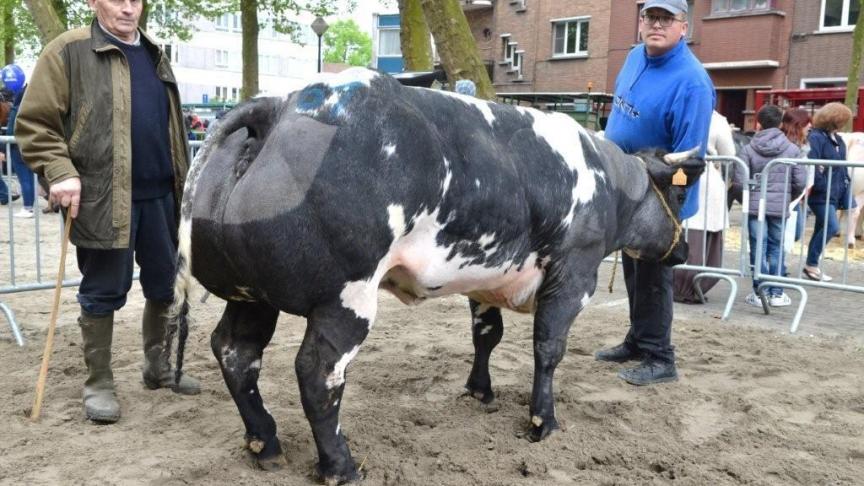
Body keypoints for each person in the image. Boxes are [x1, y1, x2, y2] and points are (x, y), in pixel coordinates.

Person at [16, 0, 199, 424]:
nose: (128, 8)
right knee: (102, 290)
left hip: (161, 197)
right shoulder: (68, 51)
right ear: (93, 2)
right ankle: (98, 382)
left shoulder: (155, 53)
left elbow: (171, 130)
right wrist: (59, 171)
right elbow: (35, 124)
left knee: (165, 285)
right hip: (101, 197)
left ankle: (157, 367)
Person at [595, 0, 714, 385]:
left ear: (684, 27)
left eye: (666, 18)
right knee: (634, 270)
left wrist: (666, 205)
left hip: (663, 197)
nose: (656, 24)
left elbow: (690, 160)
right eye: (650, 16)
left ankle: (661, 357)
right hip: (628, 188)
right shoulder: (633, 56)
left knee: (654, 276)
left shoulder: (692, 83)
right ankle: (637, 339)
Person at [732, 105, 806, 308]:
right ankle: (777, 292)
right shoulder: (792, 149)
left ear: (758, 123)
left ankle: (760, 292)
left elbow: (739, 181)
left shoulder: (747, 149)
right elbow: (800, 181)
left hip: (755, 207)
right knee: (776, 247)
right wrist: (788, 197)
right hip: (779, 206)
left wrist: (746, 200)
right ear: (781, 123)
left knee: (758, 247)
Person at [673, 111, 734, 304]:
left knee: (687, 230)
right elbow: (729, 153)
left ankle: (681, 284)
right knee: (703, 233)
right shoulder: (717, 119)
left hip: (679, 173)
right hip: (706, 178)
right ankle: (694, 285)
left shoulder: (678, 113)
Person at [803, 102, 855, 282]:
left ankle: (812, 265)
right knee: (832, 226)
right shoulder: (816, 138)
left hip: (834, 192)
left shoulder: (838, 140)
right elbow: (813, 164)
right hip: (821, 193)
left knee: (822, 226)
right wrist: (822, 184)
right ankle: (811, 264)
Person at [780, 108, 813, 245]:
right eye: (807, 123)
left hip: (796, 196)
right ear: (798, 124)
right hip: (785, 195)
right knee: (784, 234)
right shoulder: (785, 144)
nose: (810, 126)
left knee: (795, 233)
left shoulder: (804, 146)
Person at [7, 85, 37, 218]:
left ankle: (27, 207)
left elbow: (10, 131)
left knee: (24, 178)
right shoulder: (35, 109)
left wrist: (2, 149)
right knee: (30, 177)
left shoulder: (16, 109)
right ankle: (30, 204)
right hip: (31, 146)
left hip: (17, 147)